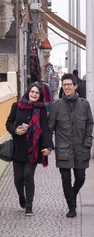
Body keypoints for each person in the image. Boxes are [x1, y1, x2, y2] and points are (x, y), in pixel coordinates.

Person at [49, 73, 93, 218]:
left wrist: (87, 143)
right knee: (65, 179)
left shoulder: (84, 105)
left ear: (75, 86)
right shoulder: (56, 106)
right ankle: (71, 207)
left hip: (81, 148)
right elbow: (50, 128)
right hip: (63, 150)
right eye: (64, 84)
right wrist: (48, 145)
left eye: (69, 84)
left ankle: (71, 196)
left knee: (80, 177)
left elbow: (89, 124)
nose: (66, 87)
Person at [6, 83, 53, 216]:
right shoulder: (17, 106)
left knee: (28, 175)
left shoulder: (42, 109)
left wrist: (48, 147)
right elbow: (8, 123)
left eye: (37, 93)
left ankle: (29, 206)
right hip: (18, 147)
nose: (34, 94)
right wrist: (15, 130)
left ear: (40, 96)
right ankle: (22, 197)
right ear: (28, 92)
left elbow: (45, 129)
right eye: (32, 92)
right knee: (18, 178)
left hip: (34, 148)